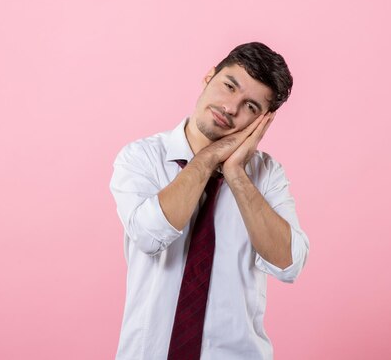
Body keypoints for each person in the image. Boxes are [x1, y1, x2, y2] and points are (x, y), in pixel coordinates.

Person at [110, 42, 309, 360]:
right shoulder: (141, 157)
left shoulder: (267, 175)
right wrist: (207, 160)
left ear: (263, 122)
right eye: (229, 86)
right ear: (208, 77)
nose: (231, 108)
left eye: (251, 107)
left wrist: (236, 174)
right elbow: (148, 236)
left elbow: (289, 264)